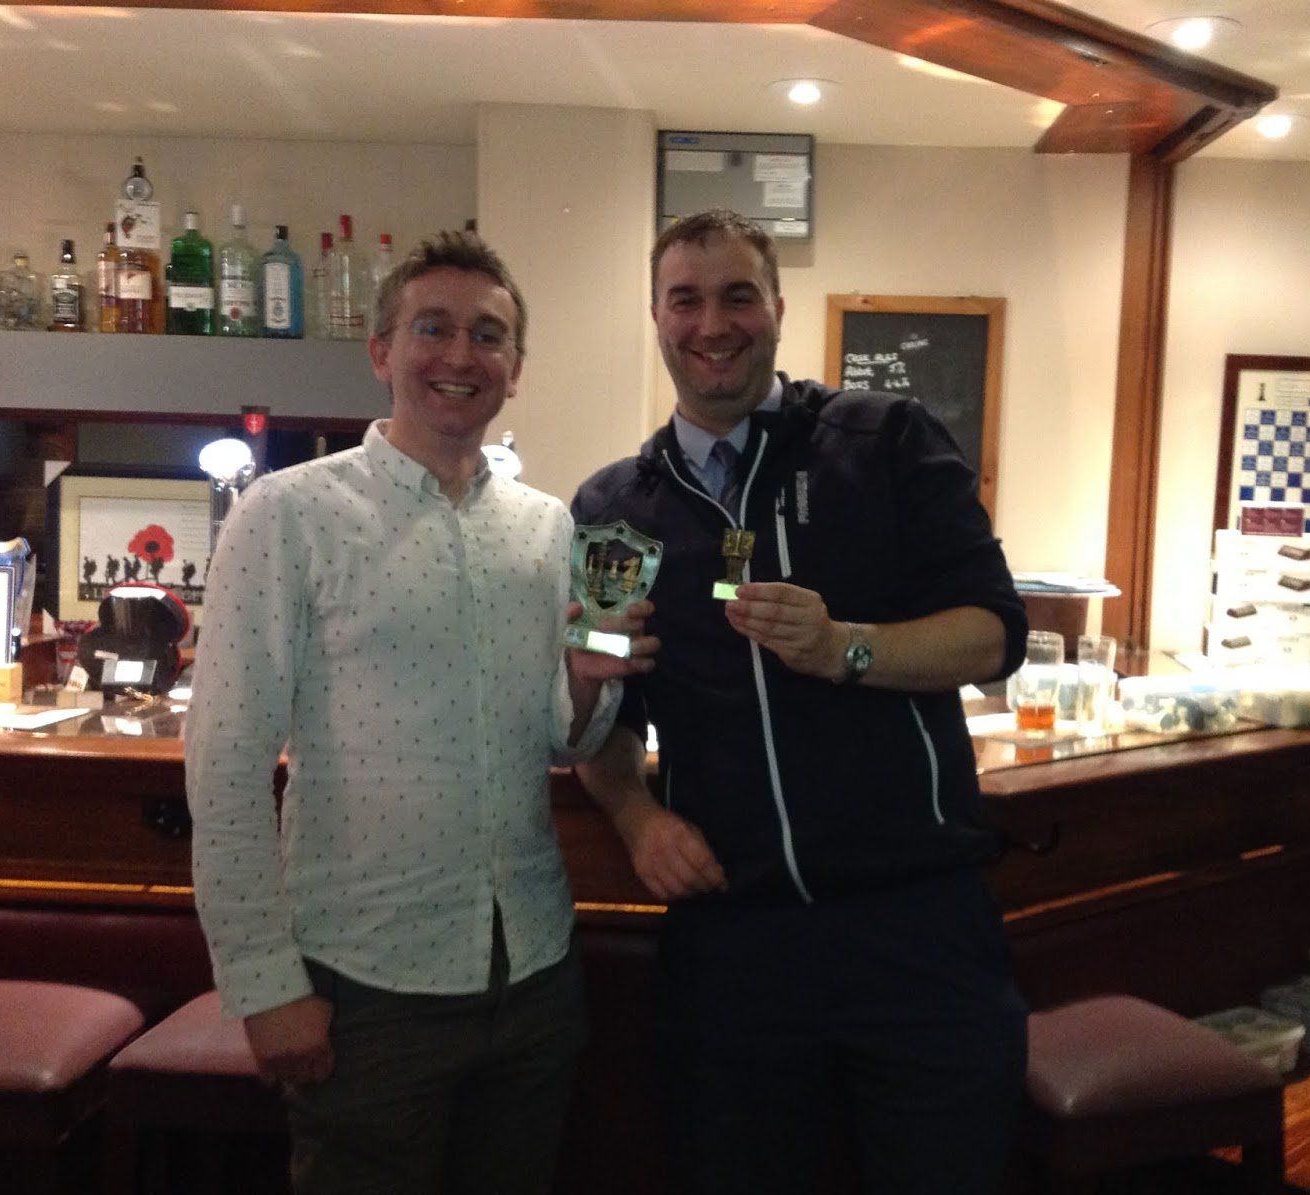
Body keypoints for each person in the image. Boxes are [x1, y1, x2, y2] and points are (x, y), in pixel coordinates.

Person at [187, 230, 655, 1195]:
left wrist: (585, 681)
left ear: (516, 368)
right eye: (432, 328)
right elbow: (225, 764)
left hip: (533, 970)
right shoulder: (287, 515)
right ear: (381, 350)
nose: (459, 355)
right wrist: (264, 984)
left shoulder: (547, 526)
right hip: (367, 983)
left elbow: (562, 742)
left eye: (488, 335)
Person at [572, 209, 1030, 1194]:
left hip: (915, 924)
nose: (712, 324)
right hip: (734, 944)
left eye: (737, 295)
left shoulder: (885, 441)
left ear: (777, 307)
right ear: (656, 316)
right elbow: (603, 706)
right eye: (685, 300)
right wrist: (634, 814)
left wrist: (843, 647)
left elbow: (995, 633)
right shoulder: (614, 510)